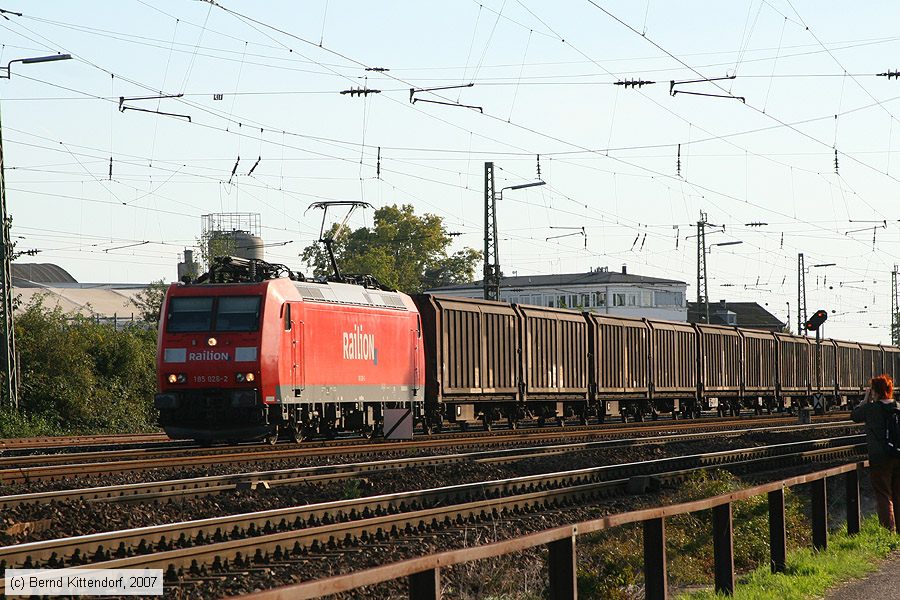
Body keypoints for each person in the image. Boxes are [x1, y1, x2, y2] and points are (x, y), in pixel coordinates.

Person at [852, 374, 900, 532]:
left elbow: (855, 415)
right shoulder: (898, 407)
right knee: (898, 494)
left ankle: (888, 530)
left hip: (879, 459)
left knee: (883, 494)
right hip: (898, 455)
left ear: (875, 392)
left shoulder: (871, 409)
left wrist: (865, 400)